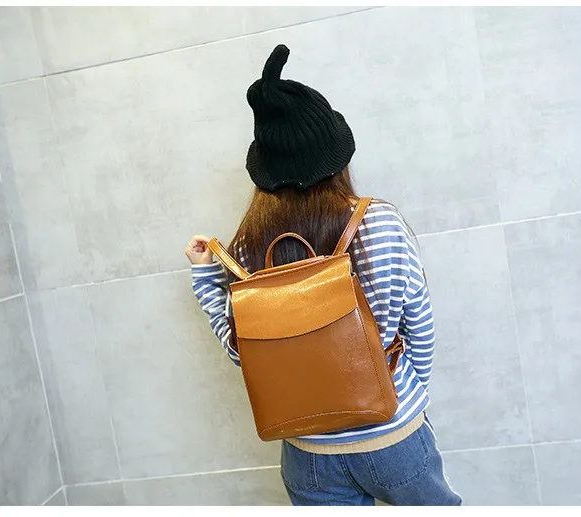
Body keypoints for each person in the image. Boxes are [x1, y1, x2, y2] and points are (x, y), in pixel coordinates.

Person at [185, 44, 461, 507]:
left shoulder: (249, 247)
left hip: (309, 455)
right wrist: (406, 399)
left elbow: (244, 354)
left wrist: (205, 278)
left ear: (264, 172)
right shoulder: (380, 224)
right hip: (393, 436)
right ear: (337, 158)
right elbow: (420, 325)